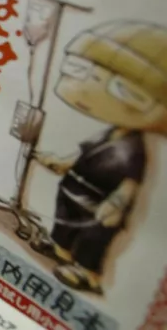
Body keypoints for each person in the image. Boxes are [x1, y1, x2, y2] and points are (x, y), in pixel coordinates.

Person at [33, 20, 167, 293]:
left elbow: (130, 183)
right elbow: (83, 153)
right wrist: (61, 162)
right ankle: (60, 249)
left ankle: (88, 273)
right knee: (63, 224)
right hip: (72, 191)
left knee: (92, 239)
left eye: (122, 89)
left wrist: (117, 202)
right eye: (79, 72)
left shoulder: (133, 150)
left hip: (98, 205)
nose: (84, 90)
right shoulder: (106, 135)